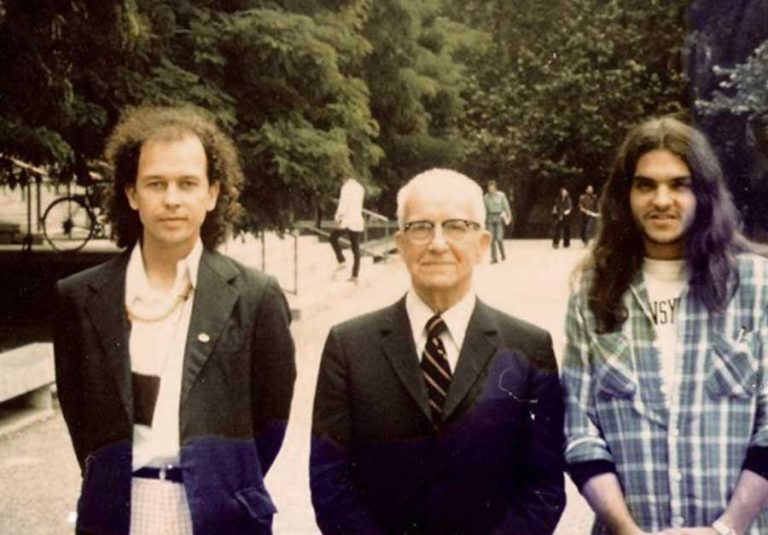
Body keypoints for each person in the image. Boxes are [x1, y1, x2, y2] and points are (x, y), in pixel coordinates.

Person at [53, 106, 296, 535]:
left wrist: (222, 480)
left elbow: (271, 420)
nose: (171, 199)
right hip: (117, 512)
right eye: (155, 183)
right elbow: (82, 421)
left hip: (217, 513)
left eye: (187, 183)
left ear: (212, 193)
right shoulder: (80, 298)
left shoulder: (256, 296)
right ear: (131, 194)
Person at [310, 168, 565, 535]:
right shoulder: (348, 346)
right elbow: (330, 480)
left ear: (482, 242)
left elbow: (544, 487)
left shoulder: (529, 348)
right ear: (400, 243)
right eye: (421, 227)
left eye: (456, 226)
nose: (438, 243)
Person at [562, 116, 768, 535]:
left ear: (704, 193)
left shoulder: (757, 286)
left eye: (679, 184)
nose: (661, 199)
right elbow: (579, 429)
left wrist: (724, 529)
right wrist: (626, 529)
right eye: (645, 185)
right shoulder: (592, 292)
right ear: (625, 194)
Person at [329, 175, 365, 281]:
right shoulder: (360, 188)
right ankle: (355, 275)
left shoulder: (346, 188)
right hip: (357, 220)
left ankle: (342, 260)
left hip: (347, 221)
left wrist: (338, 218)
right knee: (356, 248)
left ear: (345, 178)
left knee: (332, 238)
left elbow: (343, 205)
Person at [483, 179, 512, 263]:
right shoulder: (485, 197)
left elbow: (506, 206)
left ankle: (502, 253)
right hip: (490, 218)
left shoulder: (501, 196)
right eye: (489, 187)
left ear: (495, 188)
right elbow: (483, 209)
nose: (490, 189)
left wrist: (509, 215)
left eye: (492, 187)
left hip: (499, 217)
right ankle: (494, 257)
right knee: (491, 239)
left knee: (499, 238)